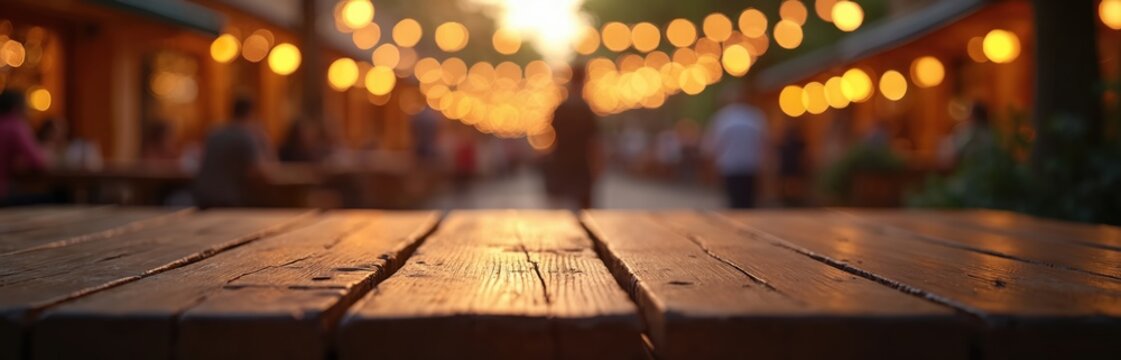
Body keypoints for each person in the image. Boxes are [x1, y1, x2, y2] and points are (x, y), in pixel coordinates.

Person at [193, 97, 272, 208]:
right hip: (228, 200)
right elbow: (259, 172)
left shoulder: (214, 133)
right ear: (251, 113)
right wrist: (265, 140)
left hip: (203, 196)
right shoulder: (246, 137)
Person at [703, 84, 767, 209]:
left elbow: (712, 145)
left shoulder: (722, 118)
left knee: (734, 200)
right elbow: (764, 143)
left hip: (729, 166)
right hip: (750, 165)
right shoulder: (755, 117)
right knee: (748, 200)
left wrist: (710, 166)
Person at [546, 66, 601, 209]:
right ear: (584, 81)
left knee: (560, 210)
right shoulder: (586, 110)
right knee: (585, 211)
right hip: (581, 165)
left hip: (562, 163)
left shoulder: (560, 109)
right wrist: (596, 166)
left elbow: (551, 138)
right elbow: (593, 142)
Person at [0, 90, 48, 202]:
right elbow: (37, 162)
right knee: (59, 197)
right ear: (17, 108)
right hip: (4, 194)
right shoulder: (15, 126)